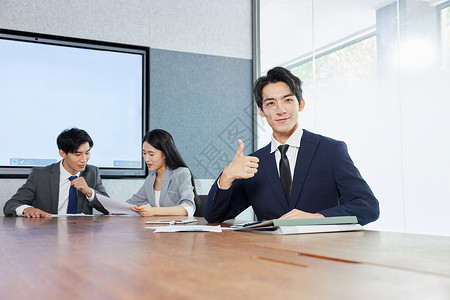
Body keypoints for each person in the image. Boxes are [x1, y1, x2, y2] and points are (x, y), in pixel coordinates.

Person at [204, 67, 379, 226]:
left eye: (287, 100)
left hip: (321, 253)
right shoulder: (254, 164)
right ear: (261, 111)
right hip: (269, 256)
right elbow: (214, 217)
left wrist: (318, 217)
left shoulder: (331, 150)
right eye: (271, 103)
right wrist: (227, 176)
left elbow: (368, 207)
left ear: (300, 104)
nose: (280, 110)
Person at [3, 128, 109, 217]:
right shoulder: (40, 175)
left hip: (81, 235)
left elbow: (109, 208)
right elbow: (11, 205)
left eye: (87, 153)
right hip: (48, 233)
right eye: (78, 154)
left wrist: (89, 192)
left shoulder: (92, 173)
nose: (84, 159)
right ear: (62, 153)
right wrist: (27, 209)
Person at [127, 129, 198, 217]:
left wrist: (153, 211)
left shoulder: (181, 173)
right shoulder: (150, 178)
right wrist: (116, 209)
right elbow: (132, 204)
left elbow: (188, 208)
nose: (146, 159)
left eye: (151, 154)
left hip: (176, 228)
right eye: (144, 153)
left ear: (165, 154)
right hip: (156, 228)